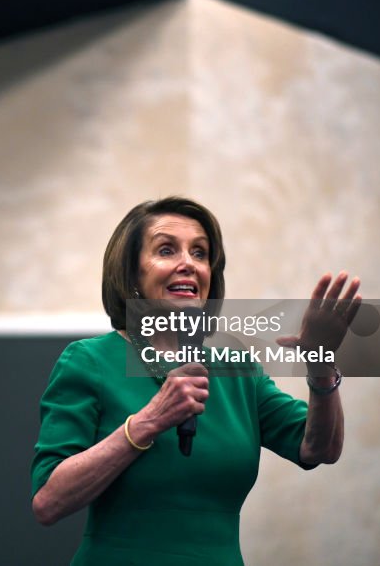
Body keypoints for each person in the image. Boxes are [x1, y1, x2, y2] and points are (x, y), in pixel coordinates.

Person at [30, 196, 361, 565]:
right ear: (132, 274)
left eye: (200, 254)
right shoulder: (90, 361)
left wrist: (321, 361)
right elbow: (48, 501)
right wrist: (148, 422)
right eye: (166, 250)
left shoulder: (236, 368)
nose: (188, 264)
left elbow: (318, 448)